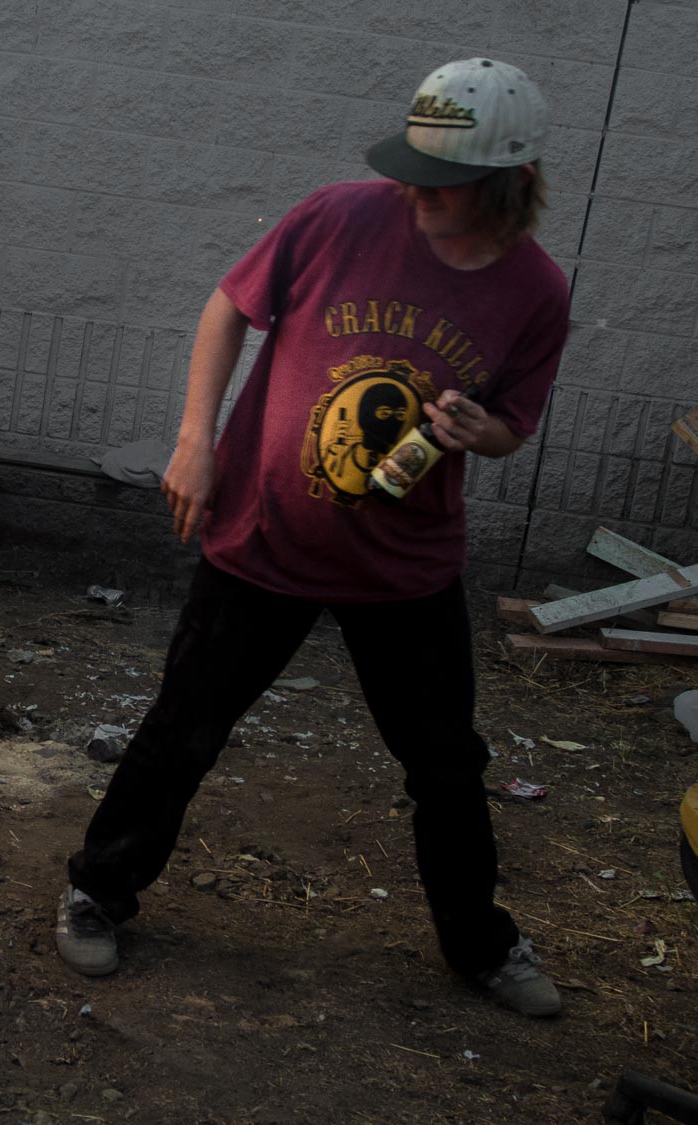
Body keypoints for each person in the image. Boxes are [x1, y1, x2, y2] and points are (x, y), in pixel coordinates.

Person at [55, 58, 570, 1019]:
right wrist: (193, 444)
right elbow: (228, 308)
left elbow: (511, 427)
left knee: (448, 764)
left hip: (405, 567)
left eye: (439, 179)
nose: (415, 190)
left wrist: (475, 433)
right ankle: (96, 890)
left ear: (504, 181)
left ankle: (481, 945)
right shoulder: (341, 214)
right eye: (410, 166)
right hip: (265, 536)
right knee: (183, 730)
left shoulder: (537, 290)